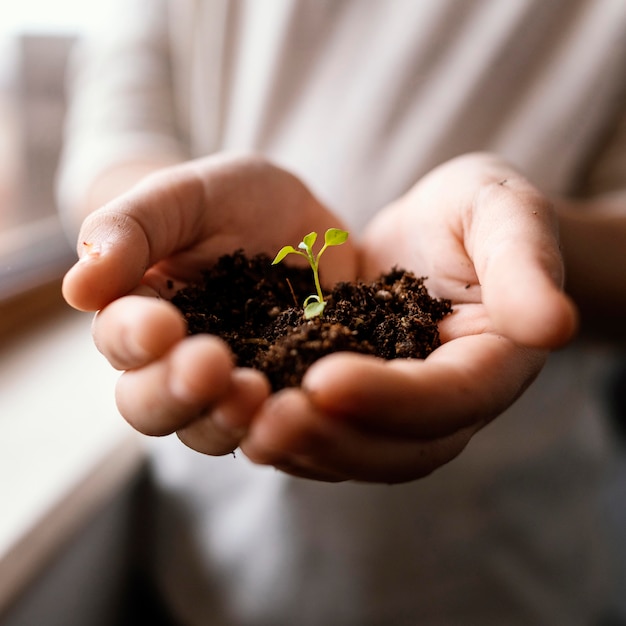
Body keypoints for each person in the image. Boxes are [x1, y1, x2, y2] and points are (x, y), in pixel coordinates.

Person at [58, 1, 626, 624]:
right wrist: (159, 218)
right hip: (214, 555)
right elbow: (117, 123)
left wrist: (535, 245)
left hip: (509, 567)